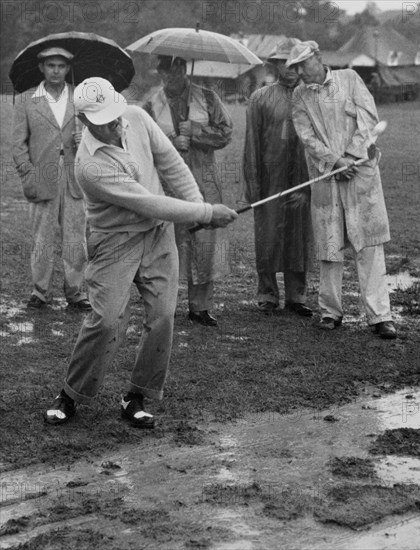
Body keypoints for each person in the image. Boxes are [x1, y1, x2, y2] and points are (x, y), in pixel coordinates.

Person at [44, 78, 237, 428]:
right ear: (84, 121)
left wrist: (195, 205)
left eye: (115, 114)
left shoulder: (136, 116)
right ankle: (71, 393)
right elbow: (148, 203)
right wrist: (207, 213)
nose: (115, 123)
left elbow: (172, 165)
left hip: (158, 235)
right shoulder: (89, 166)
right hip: (114, 241)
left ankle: (137, 394)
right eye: (103, 119)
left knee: (163, 316)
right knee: (105, 321)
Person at [286, 40, 396, 339]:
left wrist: (351, 156)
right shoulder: (299, 96)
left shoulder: (350, 78)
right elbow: (307, 138)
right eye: (294, 68)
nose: (299, 72)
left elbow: (369, 119)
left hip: (360, 174)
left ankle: (380, 316)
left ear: (319, 58)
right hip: (325, 175)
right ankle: (330, 312)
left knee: (369, 243)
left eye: (303, 64)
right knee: (329, 244)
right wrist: (335, 161)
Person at [145, 56, 233, 327]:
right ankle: (165, 302)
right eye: (167, 69)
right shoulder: (150, 105)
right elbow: (141, 141)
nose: (174, 74)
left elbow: (225, 132)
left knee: (203, 244)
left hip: (203, 180)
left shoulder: (207, 98)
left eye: (179, 67)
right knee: (168, 243)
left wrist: (196, 132)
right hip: (167, 184)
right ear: (159, 71)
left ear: (185, 68)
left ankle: (200, 306)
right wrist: (172, 141)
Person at [12, 47, 90, 310]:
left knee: (75, 237)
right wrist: (28, 174)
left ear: (68, 68)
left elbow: (101, 132)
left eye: (61, 66)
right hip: (41, 176)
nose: (56, 70)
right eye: (51, 65)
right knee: (42, 237)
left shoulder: (80, 97)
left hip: (74, 175)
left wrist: (85, 138)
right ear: (41, 68)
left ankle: (76, 292)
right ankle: (40, 291)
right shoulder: (26, 99)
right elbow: (18, 143)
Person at [242, 38, 313, 316]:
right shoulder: (261, 98)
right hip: (270, 177)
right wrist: (253, 183)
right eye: (285, 63)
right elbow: (251, 144)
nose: (291, 69)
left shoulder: (311, 96)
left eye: (296, 63)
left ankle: (297, 296)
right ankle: (267, 293)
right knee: (268, 235)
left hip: (303, 178)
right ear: (276, 65)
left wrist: (309, 186)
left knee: (299, 236)